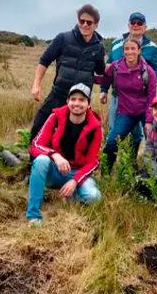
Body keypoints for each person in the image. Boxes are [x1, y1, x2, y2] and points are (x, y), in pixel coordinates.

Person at [29, 4, 106, 150]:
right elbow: (44, 61)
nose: (85, 25)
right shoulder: (63, 38)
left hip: (80, 100)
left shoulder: (99, 47)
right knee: (39, 125)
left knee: (74, 135)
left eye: (89, 22)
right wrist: (36, 85)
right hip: (59, 93)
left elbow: (100, 71)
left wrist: (118, 68)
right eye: (82, 21)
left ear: (96, 25)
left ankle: (67, 160)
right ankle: (33, 156)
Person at [27, 83, 103, 226]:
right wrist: (54, 155)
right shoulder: (55, 117)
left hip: (77, 173)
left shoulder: (95, 128)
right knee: (42, 160)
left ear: (89, 104)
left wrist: (74, 181)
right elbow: (36, 144)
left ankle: (71, 196)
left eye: (82, 100)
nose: (77, 103)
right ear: (67, 101)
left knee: (94, 197)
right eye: (73, 99)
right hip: (55, 170)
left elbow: (93, 162)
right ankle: (33, 216)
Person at [100, 12, 157, 150]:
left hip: (142, 98)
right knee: (115, 131)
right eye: (133, 23)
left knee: (138, 134)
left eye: (139, 23)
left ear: (145, 27)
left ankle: (133, 159)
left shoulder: (152, 47)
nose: (136, 25)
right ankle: (113, 159)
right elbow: (108, 71)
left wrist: (144, 80)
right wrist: (103, 90)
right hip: (119, 96)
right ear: (128, 25)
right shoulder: (116, 44)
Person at [95, 37, 157, 172]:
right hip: (126, 112)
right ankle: (106, 174)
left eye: (133, 49)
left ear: (139, 51)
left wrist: (148, 121)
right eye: (127, 49)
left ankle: (152, 172)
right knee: (112, 141)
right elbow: (105, 80)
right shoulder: (116, 67)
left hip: (144, 111)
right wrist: (86, 75)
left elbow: (151, 98)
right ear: (123, 51)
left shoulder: (148, 71)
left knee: (154, 140)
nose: (130, 52)